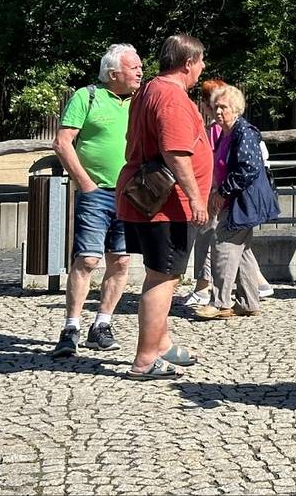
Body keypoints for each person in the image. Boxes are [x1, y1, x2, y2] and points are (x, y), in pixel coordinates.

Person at [115, 34, 213, 380]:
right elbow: (175, 152)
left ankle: (162, 342)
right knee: (162, 276)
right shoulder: (171, 97)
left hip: (152, 202)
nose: (202, 69)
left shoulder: (150, 90)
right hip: (165, 205)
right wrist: (197, 198)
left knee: (166, 275)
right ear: (188, 63)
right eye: (201, 62)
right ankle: (144, 359)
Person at [49, 44, 144, 358]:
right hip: (96, 193)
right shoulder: (86, 96)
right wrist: (85, 184)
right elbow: (62, 143)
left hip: (130, 195)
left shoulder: (140, 102)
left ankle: (102, 324)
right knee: (87, 260)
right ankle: (71, 326)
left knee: (121, 261)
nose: (140, 72)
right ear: (114, 72)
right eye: (134, 67)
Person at [194, 84, 279, 319]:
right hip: (235, 200)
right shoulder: (226, 133)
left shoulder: (244, 132)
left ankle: (221, 302)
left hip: (242, 201)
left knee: (222, 245)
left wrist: (222, 192)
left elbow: (248, 168)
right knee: (242, 252)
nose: (219, 111)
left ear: (236, 109)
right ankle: (248, 302)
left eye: (224, 107)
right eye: (216, 107)